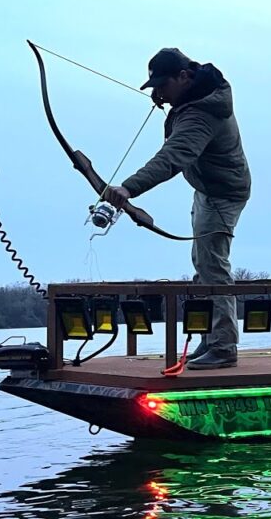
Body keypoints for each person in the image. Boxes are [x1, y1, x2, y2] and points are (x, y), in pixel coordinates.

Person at [103, 47, 251, 370]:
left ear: (183, 77)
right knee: (202, 261)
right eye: (153, 87)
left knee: (213, 266)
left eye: (162, 86)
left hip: (223, 192)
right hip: (207, 188)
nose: (158, 94)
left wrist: (128, 187)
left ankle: (224, 347)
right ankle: (210, 338)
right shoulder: (195, 96)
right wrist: (171, 103)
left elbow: (171, 158)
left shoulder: (203, 113)